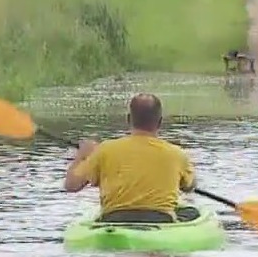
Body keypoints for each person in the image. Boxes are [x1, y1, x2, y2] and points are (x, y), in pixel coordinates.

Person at [64, 93, 198, 223]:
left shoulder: (105, 149)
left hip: (114, 219)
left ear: (129, 119)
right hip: (160, 219)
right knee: (191, 212)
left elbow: (71, 186)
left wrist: (82, 155)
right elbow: (189, 186)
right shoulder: (176, 153)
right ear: (160, 122)